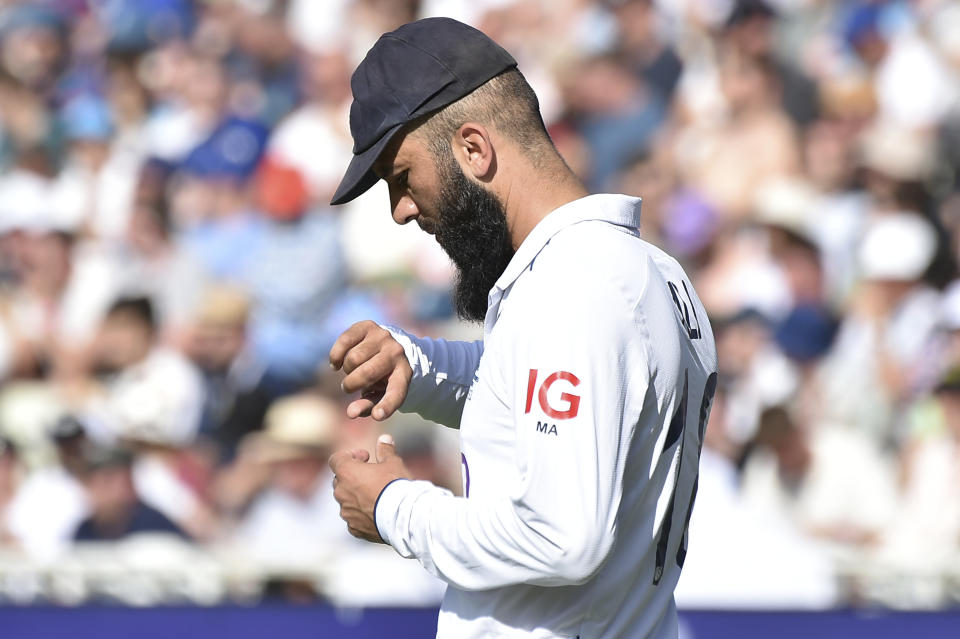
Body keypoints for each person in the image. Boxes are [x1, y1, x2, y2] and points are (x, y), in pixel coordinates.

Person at [326, 18, 717, 639]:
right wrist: (421, 366)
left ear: (474, 149)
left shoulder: (573, 288)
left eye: (402, 178)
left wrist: (393, 507)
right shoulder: (646, 270)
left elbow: (560, 539)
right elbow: (570, 392)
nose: (400, 211)